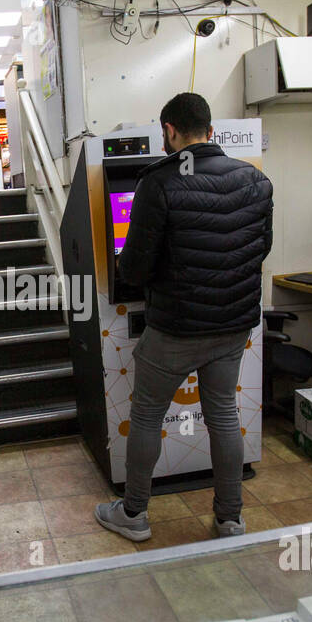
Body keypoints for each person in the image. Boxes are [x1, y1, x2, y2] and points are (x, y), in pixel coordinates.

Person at [95, 92, 274, 542]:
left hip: (175, 327)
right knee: (224, 416)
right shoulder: (255, 180)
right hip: (233, 326)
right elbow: (260, 249)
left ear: (170, 132)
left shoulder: (159, 182)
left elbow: (134, 266)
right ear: (212, 132)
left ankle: (134, 514)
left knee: (148, 415)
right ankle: (229, 517)